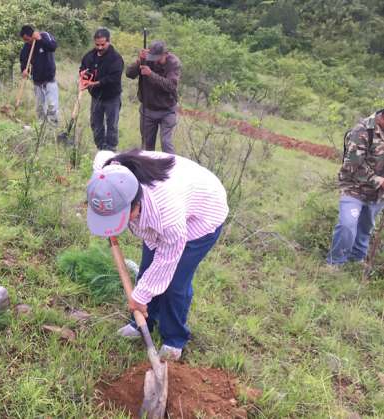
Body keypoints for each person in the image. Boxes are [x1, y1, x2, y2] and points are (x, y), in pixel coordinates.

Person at [86, 149, 228, 360]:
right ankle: (142, 322)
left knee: (175, 282)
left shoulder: (166, 215)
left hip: (203, 213)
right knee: (146, 272)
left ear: (135, 206)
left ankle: (174, 339)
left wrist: (140, 296)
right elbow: (101, 157)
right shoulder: (110, 174)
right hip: (174, 195)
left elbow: (166, 261)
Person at [326, 109, 384, 269]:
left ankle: (356, 261)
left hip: (377, 195)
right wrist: (378, 180)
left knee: (365, 228)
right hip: (354, 188)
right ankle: (335, 263)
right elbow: (352, 164)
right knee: (347, 225)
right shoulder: (363, 130)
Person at [125, 40, 182, 154]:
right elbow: (129, 74)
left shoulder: (173, 63)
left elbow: (171, 86)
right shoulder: (147, 59)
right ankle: (148, 170)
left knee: (166, 143)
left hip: (167, 110)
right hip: (148, 109)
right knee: (147, 146)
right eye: (152, 56)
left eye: (156, 57)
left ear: (165, 54)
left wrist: (151, 74)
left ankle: (171, 167)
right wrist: (139, 61)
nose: (153, 60)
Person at [79, 28, 124, 151]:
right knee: (95, 123)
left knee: (112, 124)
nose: (99, 47)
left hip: (112, 97)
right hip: (96, 97)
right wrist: (83, 75)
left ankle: (111, 149)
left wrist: (95, 83)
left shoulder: (116, 58)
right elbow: (83, 68)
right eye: (97, 44)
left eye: (102, 44)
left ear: (108, 42)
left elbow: (113, 78)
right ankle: (100, 147)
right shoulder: (89, 56)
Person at [19, 25, 59, 126]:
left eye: (27, 39)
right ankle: (42, 127)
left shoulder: (44, 36)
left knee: (52, 105)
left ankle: (53, 126)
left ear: (32, 35)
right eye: (24, 40)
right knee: (40, 107)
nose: (26, 42)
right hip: (37, 80)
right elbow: (24, 59)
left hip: (49, 78)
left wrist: (40, 39)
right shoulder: (27, 45)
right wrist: (24, 69)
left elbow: (53, 47)